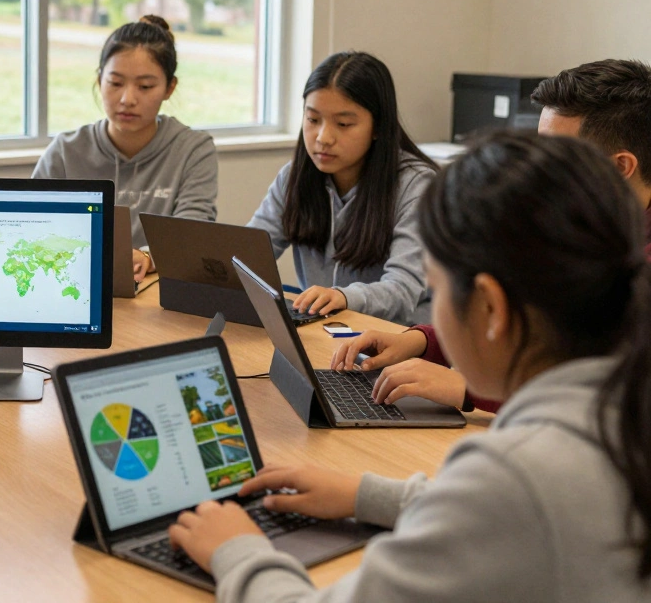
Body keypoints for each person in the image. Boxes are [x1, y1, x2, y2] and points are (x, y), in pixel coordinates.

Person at [168, 132, 651, 602]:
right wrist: (369, 495)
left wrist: (237, 550)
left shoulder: (514, 474)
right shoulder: (621, 408)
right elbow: (500, 512)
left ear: (491, 308)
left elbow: (503, 501)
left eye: (435, 290)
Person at [333, 58, 651, 414]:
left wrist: (469, 389)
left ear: (620, 167)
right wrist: (423, 342)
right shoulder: (570, 218)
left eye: (556, 157)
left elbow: (610, 398)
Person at [247, 51, 436, 325]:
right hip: (325, 331)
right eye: (313, 120)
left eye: (344, 124)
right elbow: (249, 253)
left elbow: (403, 289)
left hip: (397, 337)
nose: (323, 138)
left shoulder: (416, 186)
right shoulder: (294, 177)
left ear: (378, 126)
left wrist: (344, 297)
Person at [32, 15, 216, 283]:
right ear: (100, 80)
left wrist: (148, 256)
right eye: (116, 83)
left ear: (170, 88)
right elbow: (34, 228)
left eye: (145, 86)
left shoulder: (192, 150)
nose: (128, 99)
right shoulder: (65, 152)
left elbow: (194, 232)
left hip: (158, 295)